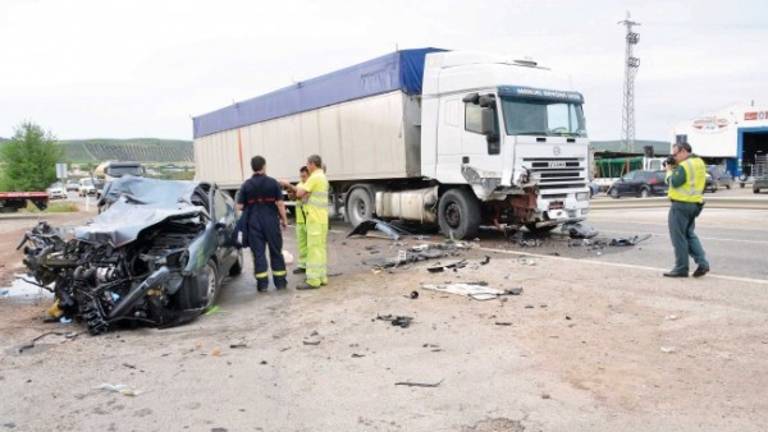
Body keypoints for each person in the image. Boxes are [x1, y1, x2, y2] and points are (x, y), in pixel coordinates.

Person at [237, 156, 289, 291]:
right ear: (264, 166)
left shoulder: (246, 185)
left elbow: (239, 206)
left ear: (252, 167)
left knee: (259, 254)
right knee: (276, 251)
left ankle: (262, 285)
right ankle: (280, 283)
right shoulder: (273, 183)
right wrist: (284, 220)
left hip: (254, 223)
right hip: (271, 221)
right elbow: (280, 204)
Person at [281, 155, 329, 290]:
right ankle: (321, 277)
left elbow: (300, 193)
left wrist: (287, 185)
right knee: (320, 249)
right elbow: (305, 196)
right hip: (321, 218)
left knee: (313, 250)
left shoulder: (314, 177)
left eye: (307, 164)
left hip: (314, 218)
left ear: (312, 164)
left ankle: (313, 280)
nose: (307, 166)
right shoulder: (322, 177)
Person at [663, 142, 710, 278]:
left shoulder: (684, 165)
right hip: (695, 204)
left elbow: (674, 182)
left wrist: (669, 171)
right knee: (689, 235)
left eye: (675, 154)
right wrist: (676, 166)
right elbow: (690, 179)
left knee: (678, 237)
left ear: (683, 151)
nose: (674, 157)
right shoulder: (699, 162)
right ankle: (703, 263)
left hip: (681, 205)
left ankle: (681, 268)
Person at [292, 166, 310, 275]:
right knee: (302, 245)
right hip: (300, 220)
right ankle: (303, 265)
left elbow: (302, 197)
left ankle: (310, 266)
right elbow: (295, 198)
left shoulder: (310, 185)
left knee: (311, 245)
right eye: (301, 176)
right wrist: (291, 194)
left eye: (304, 176)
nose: (302, 178)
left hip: (309, 219)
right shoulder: (299, 185)